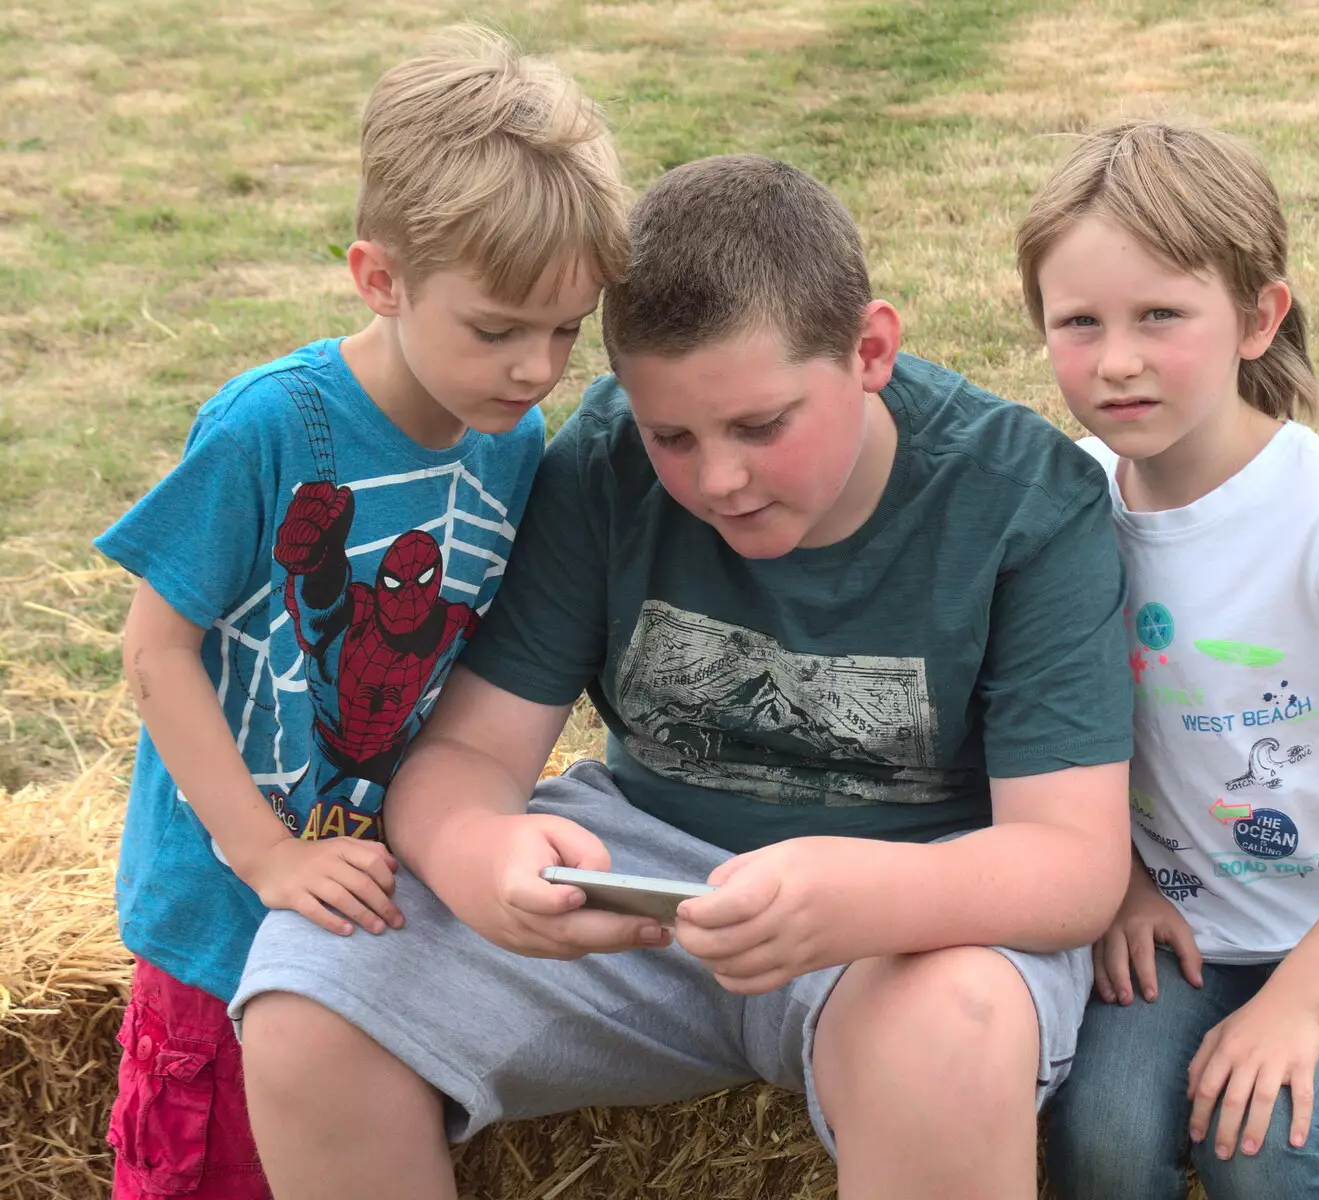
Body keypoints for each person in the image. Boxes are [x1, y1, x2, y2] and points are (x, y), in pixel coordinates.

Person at [231, 153, 1135, 1200]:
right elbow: (471, 753)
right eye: (673, 435)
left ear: (871, 349)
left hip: (914, 909)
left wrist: (862, 898)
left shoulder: (1025, 501)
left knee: (954, 1039)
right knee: (312, 998)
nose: (719, 479)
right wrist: (480, 854)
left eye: (761, 426)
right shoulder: (606, 457)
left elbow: (1069, 865)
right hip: (645, 881)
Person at [93, 28, 628, 1200]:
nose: (538, 368)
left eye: (566, 332)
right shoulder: (271, 427)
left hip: (373, 918)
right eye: (498, 329)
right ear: (379, 278)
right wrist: (266, 853)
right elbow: (154, 650)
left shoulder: (510, 439)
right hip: (224, 914)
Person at [1015, 121, 1319, 1200]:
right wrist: (1120, 885)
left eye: (1160, 316)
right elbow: (1041, 737)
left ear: (1258, 317)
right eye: (1078, 322)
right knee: (1102, 1146)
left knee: (1258, 1144)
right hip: (1180, 925)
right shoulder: (1063, 510)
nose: (1116, 359)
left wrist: (1297, 1004)